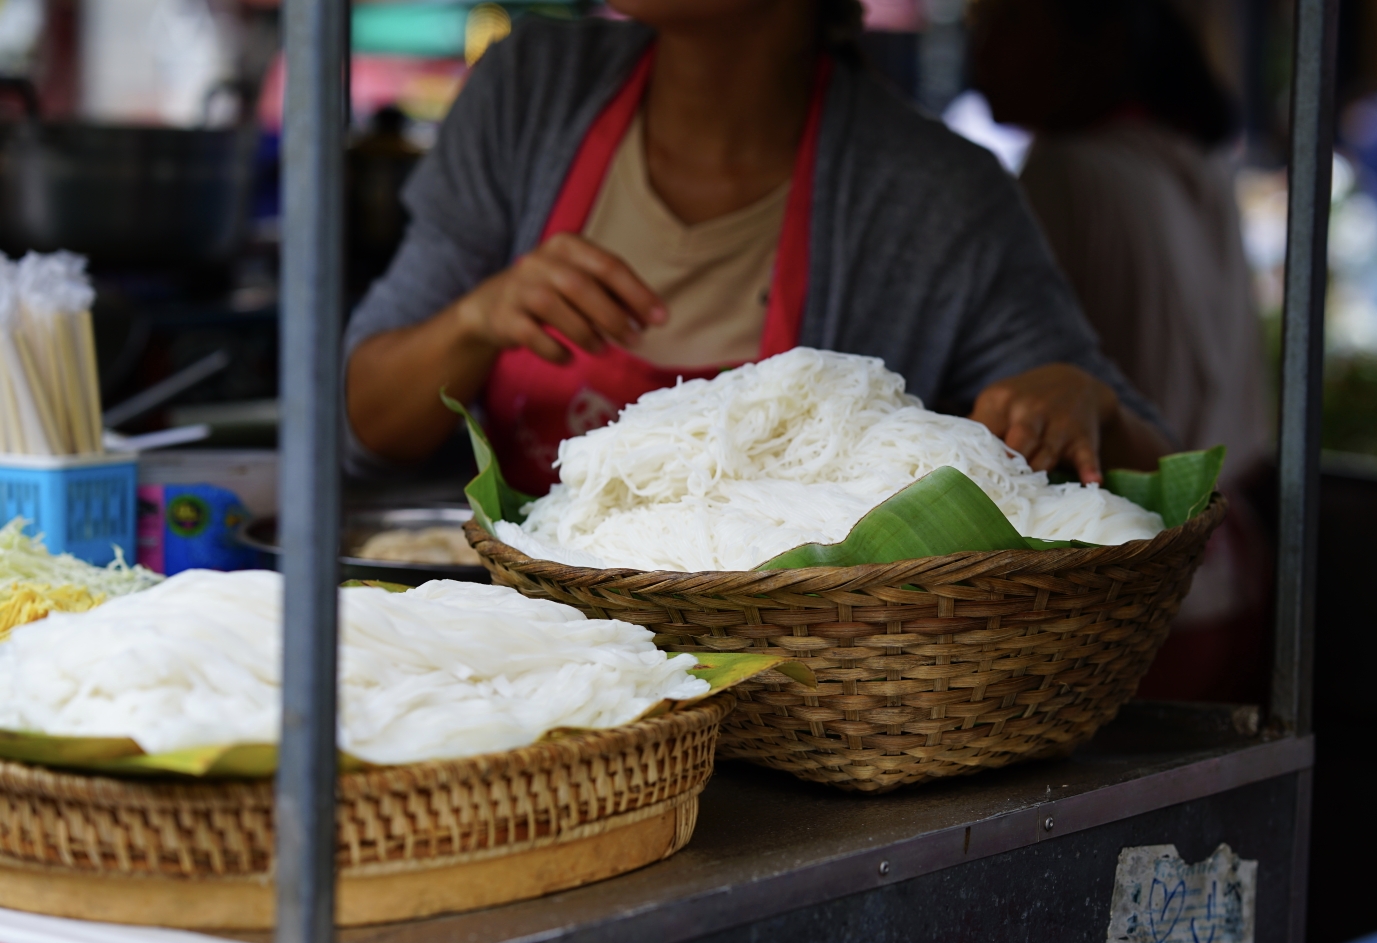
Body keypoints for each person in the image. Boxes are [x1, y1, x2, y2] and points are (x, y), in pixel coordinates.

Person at [344, 0, 1170, 500]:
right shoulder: (529, 94)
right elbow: (356, 425)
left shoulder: (936, 196)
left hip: (793, 709)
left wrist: (1079, 397)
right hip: (537, 672)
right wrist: (476, 321)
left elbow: (1150, 473)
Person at [970, 0, 1272, 703]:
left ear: (1097, 45)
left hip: (1125, 593)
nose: (981, 49)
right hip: (1233, 576)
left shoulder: (1065, 172)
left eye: (1010, 22)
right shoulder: (1190, 161)